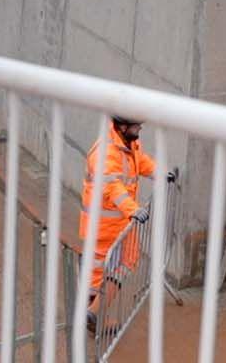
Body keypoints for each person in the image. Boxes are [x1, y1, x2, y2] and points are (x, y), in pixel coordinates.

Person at [79, 114, 161, 332]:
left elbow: (140, 161)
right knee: (107, 270)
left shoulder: (127, 143)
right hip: (104, 227)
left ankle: (93, 316)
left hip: (117, 224)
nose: (140, 129)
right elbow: (112, 187)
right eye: (137, 126)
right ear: (122, 126)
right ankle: (94, 315)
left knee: (112, 268)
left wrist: (159, 173)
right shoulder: (105, 154)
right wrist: (133, 210)